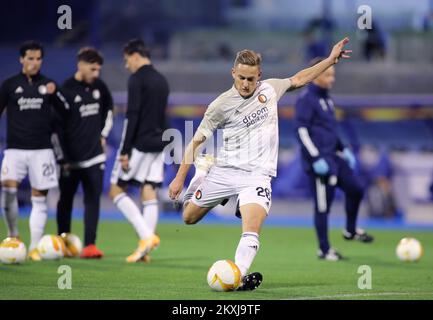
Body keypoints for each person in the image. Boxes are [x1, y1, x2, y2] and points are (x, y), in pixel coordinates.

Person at [168, 38, 352, 290]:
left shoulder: (270, 89)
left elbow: (301, 78)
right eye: (241, 78)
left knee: (252, 228)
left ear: (259, 76)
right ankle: (202, 172)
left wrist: (330, 60)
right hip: (223, 170)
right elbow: (196, 141)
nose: (245, 84)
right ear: (233, 73)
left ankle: (238, 276)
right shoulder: (219, 105)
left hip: (256, 176)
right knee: (188, 218)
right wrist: (180, 177)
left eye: (251, 79)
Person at [294, 57, 374, 262]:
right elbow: (301, 131)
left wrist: (343, 148)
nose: (332, 79)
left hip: (334, 157)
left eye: (332, 74)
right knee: (323, 206)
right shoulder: (306, 99)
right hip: (320, 162)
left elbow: (330, 131)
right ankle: (324, 249)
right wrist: (316, 158)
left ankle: (350, 230)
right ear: (316, 75)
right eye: (328, 74)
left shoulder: (327, 99)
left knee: (356, 188)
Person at [0, 41, 68, 260]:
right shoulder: (10, 85)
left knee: (39, 198)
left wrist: (55, 94)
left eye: (38, 59)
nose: (34, 63)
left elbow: (65, 111)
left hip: (42, 150)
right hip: (15, 150)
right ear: (21, 59)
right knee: (8, 191)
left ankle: (34, 247)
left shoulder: (49, 85)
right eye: (30, 58)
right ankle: (13, 235)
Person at [109, 39, 169, 263]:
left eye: (126, 60)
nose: (126, 66)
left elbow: (132, 114)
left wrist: (124, 150)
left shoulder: (137, 79)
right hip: (159, 142)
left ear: (135, 55)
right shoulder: (162, 80)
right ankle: (145, 252)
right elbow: (164, 117)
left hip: (139, 143)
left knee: (115, 190)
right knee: (148, 191)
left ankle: (146, 237)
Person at [53, 47, 113, 258]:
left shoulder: (100, 87)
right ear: (81, 65)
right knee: (65, 200)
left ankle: (89, 245)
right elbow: (56, 126)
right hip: (70, 160)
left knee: (92, 199)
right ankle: (62, 242)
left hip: (95, 156)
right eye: (93, 69)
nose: (96, 74)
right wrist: (62, 158)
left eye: (98, 70)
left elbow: (109, 112)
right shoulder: (65, 90)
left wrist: (103, 135)